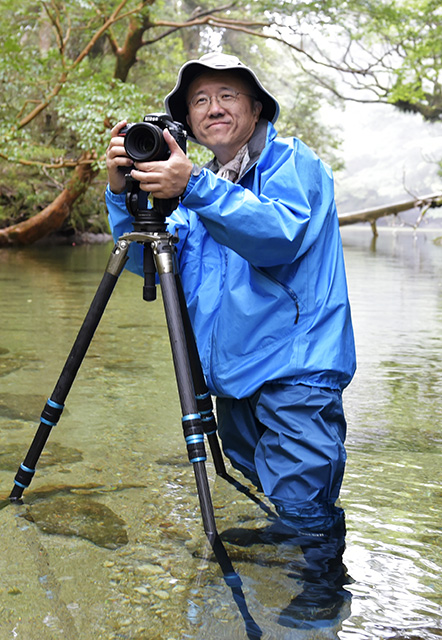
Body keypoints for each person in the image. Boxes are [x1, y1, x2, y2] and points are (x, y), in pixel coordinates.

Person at [104, 52, 356, 624]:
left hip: (296, 367)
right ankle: (292, 541)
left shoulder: (292, 163)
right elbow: (151, 265)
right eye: (200, 101)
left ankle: (322, 598)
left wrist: (192, 186)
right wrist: (124, 196)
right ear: (188, 123)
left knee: (302, 491)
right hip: (235, 375)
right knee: (267, 478)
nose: (212, 108)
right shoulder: (201, 188)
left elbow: (278, 235)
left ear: (257, 107)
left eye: (227, 96)